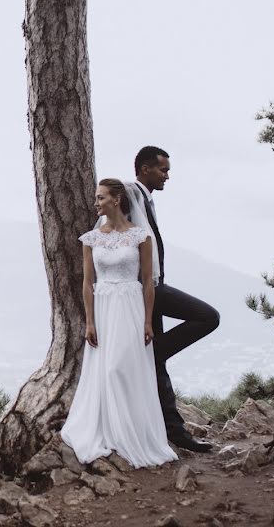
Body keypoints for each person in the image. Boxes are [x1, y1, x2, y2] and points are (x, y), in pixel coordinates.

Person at [61, 178, 178, 468]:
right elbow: (88, 283)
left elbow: (148, 283)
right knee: (106, 368)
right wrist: (90, 322)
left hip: (130, 305)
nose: (96, 202)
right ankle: (110, 431)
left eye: (101, 198)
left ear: (116, 200)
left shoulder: (140, 237)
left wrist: (148, 321)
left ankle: (133, 433)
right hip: (103, 306)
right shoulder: (92, 238)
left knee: (122, 367)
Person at [127, 146, 220, 453]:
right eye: (163, 170)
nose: (167, 175)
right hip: (141, 289)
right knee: (208, 316)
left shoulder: (146, 199)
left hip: (154, 287)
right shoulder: (130, 193)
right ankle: (150, 356)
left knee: (158, 362)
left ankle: (176, 433)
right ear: (144, 169)